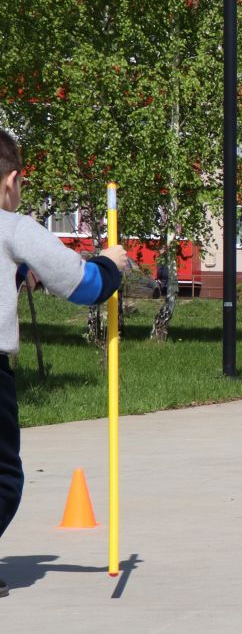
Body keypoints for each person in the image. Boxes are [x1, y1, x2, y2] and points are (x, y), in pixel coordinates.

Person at [0, 129, 130, 591]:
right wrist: (111, 262)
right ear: (11, 180)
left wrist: (16, 274)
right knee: (4, 477)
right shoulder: (12, 226)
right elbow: (83, 286)